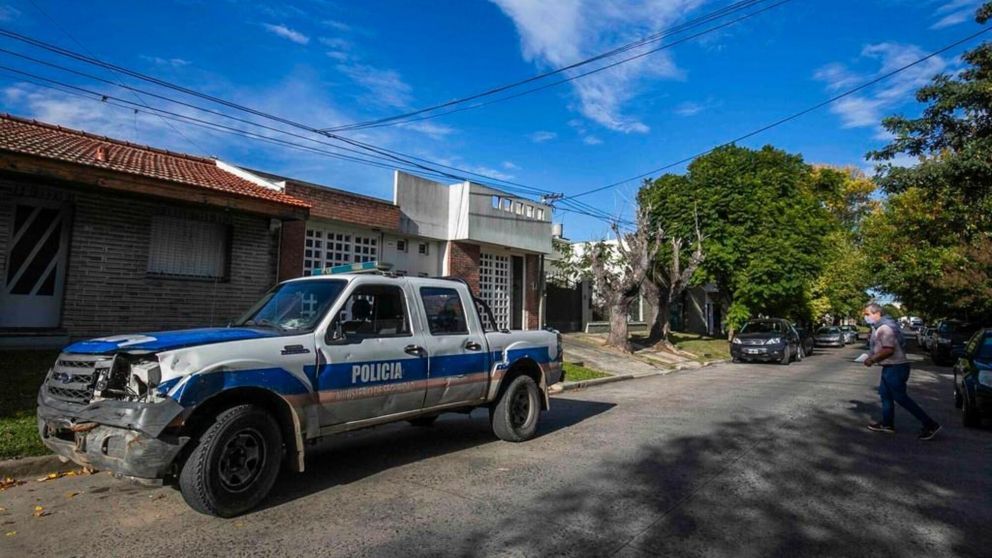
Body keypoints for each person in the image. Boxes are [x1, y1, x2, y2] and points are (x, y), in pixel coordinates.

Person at [862, 303, 941, 440]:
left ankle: (930, 424)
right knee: (885, 395)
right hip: (890, 367)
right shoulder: (879, 327)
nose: (865, 317)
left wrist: (872, 360)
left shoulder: (885, 328)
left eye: (867, 314)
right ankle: (887, 424)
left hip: (896, 367)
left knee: (900, 398)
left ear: (877, 313)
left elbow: (888, 349)